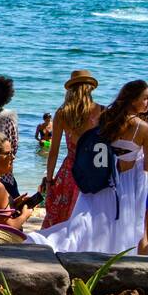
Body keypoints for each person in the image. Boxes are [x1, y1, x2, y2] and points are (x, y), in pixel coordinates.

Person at [29, 80, 148, 254]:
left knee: (89, 224)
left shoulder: (107, 119)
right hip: (128, 184)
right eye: (146, 98)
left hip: (101, 179)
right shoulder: (144, 129)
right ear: (133, 100)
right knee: (125, 228)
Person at [41, 70, 103, 227]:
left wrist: (49, 180)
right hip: (93, 171)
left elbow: (53, 152)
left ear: (70, 90)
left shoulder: (62, 114)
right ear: (90, 89)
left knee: (62, 218)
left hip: (70, 171)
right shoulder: (103, 112)